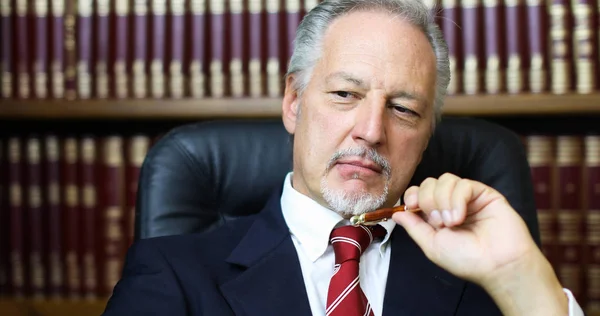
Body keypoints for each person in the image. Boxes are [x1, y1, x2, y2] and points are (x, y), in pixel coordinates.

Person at [102, 0, 584, 315]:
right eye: (345, 94)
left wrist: (521, 278)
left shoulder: (486, 285)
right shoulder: (172, 273)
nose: (372, 130)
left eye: (403, 108)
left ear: (426, 134)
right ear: (293, 101)